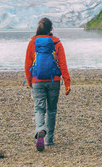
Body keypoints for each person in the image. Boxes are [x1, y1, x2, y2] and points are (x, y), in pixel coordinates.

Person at [24, 17, 71, 151]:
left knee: (39, 109)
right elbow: (63, 64)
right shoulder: (56, 42)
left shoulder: (33, 42)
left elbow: (28, 64)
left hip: (37, 80)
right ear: (51, 29)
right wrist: (67, 82)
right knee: (52, 110)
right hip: (54, 80)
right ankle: (49, 139)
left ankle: (40, 129)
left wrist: (30, 81)